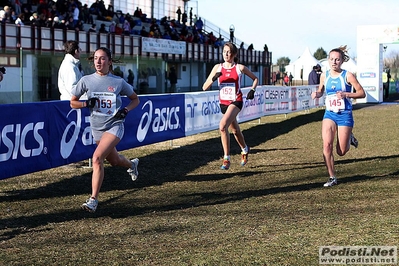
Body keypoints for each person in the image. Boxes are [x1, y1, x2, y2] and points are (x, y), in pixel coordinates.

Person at [70, 47, 140, 213]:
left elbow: (135, 99)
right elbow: (72, 102)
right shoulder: (86, 80)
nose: (98, 62)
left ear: (109, 61)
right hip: (97, 129)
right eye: (95, 58)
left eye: (102, 59)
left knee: (96, 158)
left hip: (115, 126)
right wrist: (86, 104)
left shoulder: (118, 82)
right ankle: (132, 164)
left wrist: (125, 110)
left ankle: (93, 200)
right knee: (114, 161)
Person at [311, 46, 366, 187]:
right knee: (326, 145)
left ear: (342, 61)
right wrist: (317, 94)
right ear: (328, 60)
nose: (334, 62)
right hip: (329, 113)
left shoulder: (348, 76)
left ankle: (349, 138)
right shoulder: (325, 75)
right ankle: (332, 177)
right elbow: (321, 90)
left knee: (341, 151)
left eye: (337, 59)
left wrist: (346, 94)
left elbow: (361, 93)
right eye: (331, 59)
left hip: (345, 114)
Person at [202, 42, 258, 170]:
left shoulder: (240, 68)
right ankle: (245, 149)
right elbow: (204, 87)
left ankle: (226, 158)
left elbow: (255, 79)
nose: (226, 54)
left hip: (236, 101)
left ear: (233, 54)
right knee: (235, 131)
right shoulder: (218, 67)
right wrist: (214, 78)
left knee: (222, 126)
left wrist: (252, 90)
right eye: (224, 51)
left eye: (228, 52)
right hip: (224, 104)